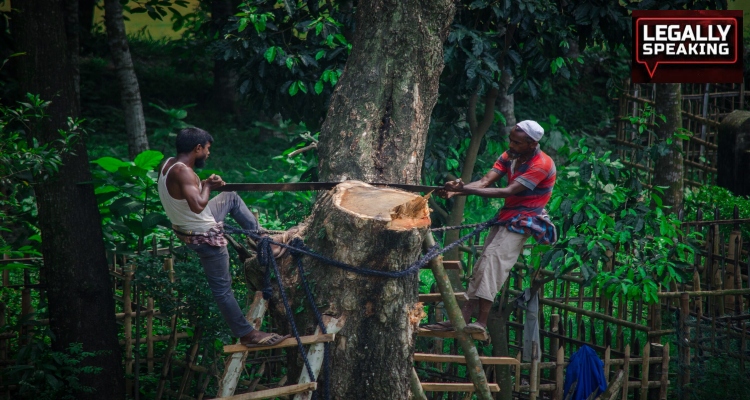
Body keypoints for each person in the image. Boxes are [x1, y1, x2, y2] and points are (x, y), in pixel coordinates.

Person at [157, 127, 289, 348]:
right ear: (197, 148)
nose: (208, 154)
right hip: (203, 236)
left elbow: (187, 198)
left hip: (190, 226)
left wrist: (206, 185)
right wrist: (207, 185)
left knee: (230, 197)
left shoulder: (168, 164)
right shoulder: (183, 172)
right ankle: (247, 334)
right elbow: (198, 206)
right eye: (207, 149)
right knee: (222, 289)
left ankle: (262, 242)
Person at [426, 120, 557, 334]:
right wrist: (458, 190)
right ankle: (463, 319)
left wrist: (462, 190)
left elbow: (508, 191)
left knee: (493, 264)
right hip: (507, 217)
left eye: (517, 142)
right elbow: (485, 181)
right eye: (511, 140)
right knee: (481, 265)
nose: (511, 145)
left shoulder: (541, 164)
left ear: (532, 144)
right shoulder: (510, 156)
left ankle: (481, 322)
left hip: (525, 220)